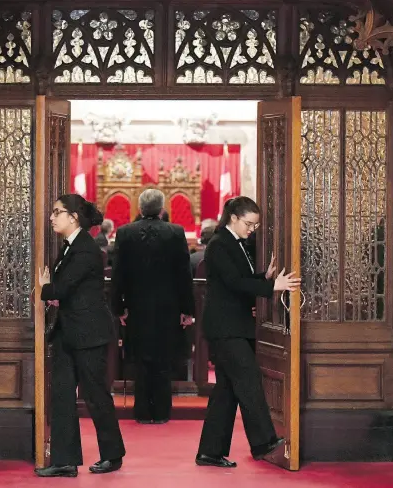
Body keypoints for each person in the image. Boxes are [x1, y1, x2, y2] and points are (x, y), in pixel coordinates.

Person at [195, 196, 301, 468]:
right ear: (233, 217)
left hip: (233, 325)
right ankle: (263, 442)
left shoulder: (233, 243)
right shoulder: (219, 244)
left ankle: (210, 451)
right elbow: (232, 282)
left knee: (227, 391)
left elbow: (241, 278)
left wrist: (264, 278)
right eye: (249, 224)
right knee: (249, 378)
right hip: (225, 326)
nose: (252, 229)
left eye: (255, 225)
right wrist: (271, 287)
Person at [35, 194, 125, 478]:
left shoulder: (85, 249)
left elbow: (60, 290)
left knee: (96, 395)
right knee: (61, 394)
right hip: (68, 331)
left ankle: (112, 455)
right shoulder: (70, 247)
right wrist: (51, 290)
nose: (52, 217)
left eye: (57, 212)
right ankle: (64, 460)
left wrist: (46, 288)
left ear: (73, 217)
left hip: (89, 334)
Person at [111, 188, 194, 424]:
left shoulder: (125, 233)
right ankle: (161, 412)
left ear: (139, 209)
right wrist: (187, 310)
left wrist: (119, 308)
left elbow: (119, 275)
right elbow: (184, 275)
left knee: (140, 359)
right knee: (163, 360)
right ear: (162, 209)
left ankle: (142, 412)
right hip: (168, 308)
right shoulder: (176, 232)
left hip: (136, 307)